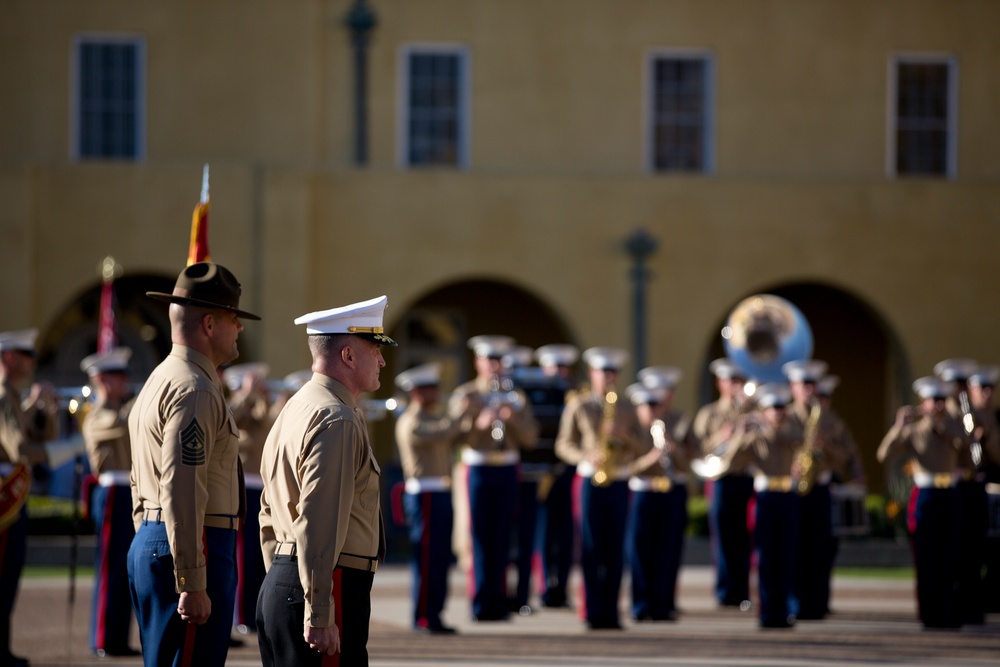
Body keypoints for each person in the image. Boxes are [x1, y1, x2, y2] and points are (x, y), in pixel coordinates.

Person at [128, 262, 260, 667]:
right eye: (232, 318)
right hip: (194, 541)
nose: (239, 328)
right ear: (208, 324)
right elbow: (182, 487)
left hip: (163, 537)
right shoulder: (195, 388)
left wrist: (151, 537)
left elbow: (143, 479)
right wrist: (191, 577)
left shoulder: (162, 377)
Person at [257, 295, 392, 667]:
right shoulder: (337, 418)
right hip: (327, 584)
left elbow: (268, 510)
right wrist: (318, 610)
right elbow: (318, 521)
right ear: (348, 356)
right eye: (374, 349)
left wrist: (283, 579)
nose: (382, 359)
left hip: (288, 579)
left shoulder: (298, 405)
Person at [448, 335, 538, 622]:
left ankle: (499, 602)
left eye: (499, 360)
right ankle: (480, 602)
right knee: (478, 538)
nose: (495, 366)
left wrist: (513, 419)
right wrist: (478, 424)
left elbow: (531, 438)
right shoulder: (467, 394)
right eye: (489, 360)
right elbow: (454, 437)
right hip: (478, 466)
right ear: (478, 362)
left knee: (502, 537)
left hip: (507, 467)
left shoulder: (516, 396)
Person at [555, 347, 643, 630]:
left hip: (619, 479)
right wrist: (585, 456)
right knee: (591, 548)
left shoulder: (628, 407)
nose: (608, 378)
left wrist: (625, 436)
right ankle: (592, 610)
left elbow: (644, 445)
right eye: (603, 372)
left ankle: (612, 611)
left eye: (612, 373)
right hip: (590, 479)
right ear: (593, 374)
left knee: (615, 549)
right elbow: (563, 445)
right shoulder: (579, 405)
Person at [877, 376, 969, 629]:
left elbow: (972, 457)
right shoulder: (914, 431)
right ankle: (929, 613)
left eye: (942, 400)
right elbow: (883, 454)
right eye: (933, 400)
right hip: (926, 494)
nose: (939, 405)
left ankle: (948, 610)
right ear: (923, 403)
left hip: (949, 492)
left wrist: (956, 428)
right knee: (927, 557)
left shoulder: (954, 427)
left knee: (949, 556)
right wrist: (898, 426)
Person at [719, 383, 801, 629]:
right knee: (765, 558)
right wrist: (740, 435)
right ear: (764, 411)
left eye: (781, 408)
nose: (777, 413)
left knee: (786, 557)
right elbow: (730, 461)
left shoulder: (793, 435)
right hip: (765, 497)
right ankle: (767, 612)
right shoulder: (755, 437)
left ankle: (783, 610)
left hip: (787, 495)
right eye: (772, 409)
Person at [80, 347, 139, 658]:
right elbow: (124, 423)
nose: (124, 381)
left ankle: (118, 637)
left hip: (129, 491)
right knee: (110, 569)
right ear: (101, 380)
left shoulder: (120, 411)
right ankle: (104, 636)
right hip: (112, 491)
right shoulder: (96, 416)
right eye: (117, 376)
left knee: (126, 569)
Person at [394, 362, 461, 634]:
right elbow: (444, 433)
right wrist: (462, 412)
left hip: (440, 492)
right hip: (425, 494)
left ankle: (434, 613)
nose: (437, 393)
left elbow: (451, 434)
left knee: (441, 557)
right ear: (417, 392)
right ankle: (423, 614)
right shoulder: (411, 421)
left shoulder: (432, 417)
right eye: (431, 389)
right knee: (427, 557)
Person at [781, 359, 849, 621]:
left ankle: (816, 603)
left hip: (819, 489)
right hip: (793, 490)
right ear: (793, 387)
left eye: (812, 384)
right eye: (803, 384)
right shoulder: (783, 416)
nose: (808, 389)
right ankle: (795, 602)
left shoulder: (829, 419)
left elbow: (845, 456)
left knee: (818, 549)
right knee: (793, 548)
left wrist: (826, 447)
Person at [624, 365, 693, 622]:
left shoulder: (680, 421)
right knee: (640, 552)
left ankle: (663, 605)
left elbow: (691, 464)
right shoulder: (632, 427)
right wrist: (651, 458)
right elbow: (627, 465)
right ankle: (641, 605)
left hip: (671, 490)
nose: (655, 406)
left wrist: (673, 451)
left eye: (660, 399)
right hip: (643, 491)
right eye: (649, 402)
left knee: (668, 551)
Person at [933, 358, 994, 625]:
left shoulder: (982, 415)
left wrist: (987, 436)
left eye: (962, 385)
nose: (959, 390)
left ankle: (971, 604)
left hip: (974, 486)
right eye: (954, 385)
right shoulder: (940, 416)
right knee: (950, 549)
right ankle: (949, 605)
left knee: (974, 548)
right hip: (953, 487)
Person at [691, 358, 753, 609]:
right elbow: (696, 449)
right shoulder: (710, 414)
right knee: (724, 538)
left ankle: (743, 591)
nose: (736, 385)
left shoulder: (752, 412)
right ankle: (725, 591)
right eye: (731, 380)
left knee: (745, 538)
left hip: (746, 477)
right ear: (720, 383)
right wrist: (722, 436)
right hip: (721, 479)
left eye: (739, 380)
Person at [223, 362, 274, 636]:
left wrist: (261, 398)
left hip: (260, 487)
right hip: (241, 487)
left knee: (257, 554)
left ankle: (255, 611)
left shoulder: (255, 410)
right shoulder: (231, 406)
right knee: (242, 555)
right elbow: (228, 420)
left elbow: (266, 426)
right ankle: (241, 615)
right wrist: (246, 396)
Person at [0, 328, 41, 667]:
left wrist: (41, 410)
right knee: (2, 573)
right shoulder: (3, 394)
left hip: (11, 494)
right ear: (9, 357)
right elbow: (19, 449)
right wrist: (55, 453)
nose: (32, 362)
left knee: (8, 574)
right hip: (4, 498)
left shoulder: (13, 395)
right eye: (26, 355)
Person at [531, 343, 579, 609]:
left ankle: (562, 587)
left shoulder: (574, 396)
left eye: (563, 367)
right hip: (543, 472)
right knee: (544, 534)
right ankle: (545, 588)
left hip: (568, 471)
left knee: (567, 534)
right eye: (554, 367)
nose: (559, 373)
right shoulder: (537, 395)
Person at [968, 365, 1000, 612]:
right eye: (983, 388)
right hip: (972, 489)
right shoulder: (964, 416)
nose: (987, 393)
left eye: (991, 388)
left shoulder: (997, 418)